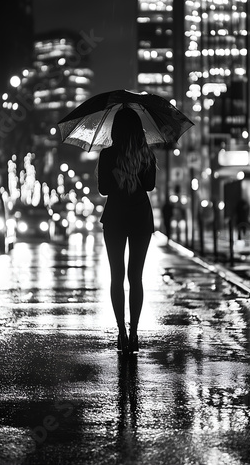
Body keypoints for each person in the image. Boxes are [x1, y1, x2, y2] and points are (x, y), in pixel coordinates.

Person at [97, 107, 157, 355]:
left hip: (116, 217)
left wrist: (119, 175)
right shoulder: (146, 153)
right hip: (140, 216)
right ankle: (134, 333)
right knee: (136, 278)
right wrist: (135, 172)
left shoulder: (108, 154)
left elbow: (103, 189)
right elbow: (150, 185)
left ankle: (121, 331)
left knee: (116, 276)